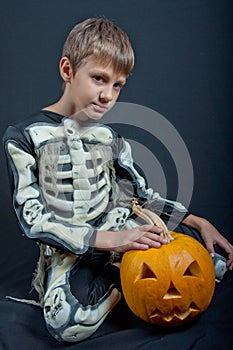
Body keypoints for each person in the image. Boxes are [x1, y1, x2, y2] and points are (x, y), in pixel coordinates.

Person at [3, 18, 233, 343]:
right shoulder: (24, 136)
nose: (108, 95)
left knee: (217, 264)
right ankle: (125, 283)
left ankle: (133, 273)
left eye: (117, 85)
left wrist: (199, 221)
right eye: (99, 78)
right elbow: (34, 221)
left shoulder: (109, 137)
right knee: (66, 323)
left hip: (122, 226)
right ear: (68, 70)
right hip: (73, 246)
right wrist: (113, 243)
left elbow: (140, 195)